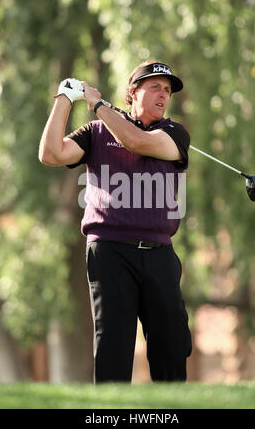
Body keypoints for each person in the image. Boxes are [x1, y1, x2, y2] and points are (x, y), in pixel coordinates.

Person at [39, 59, 192, 383]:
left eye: (167, 90)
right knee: (113, 349)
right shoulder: (95, 134)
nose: (163, 95)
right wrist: (65, 98)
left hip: (160, 253)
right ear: (132, 93)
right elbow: (51, 153)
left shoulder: (174, 133)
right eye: (154, 87)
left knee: (172, 348)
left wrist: (96, 104)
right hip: (110, 252)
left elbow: (134, 141)